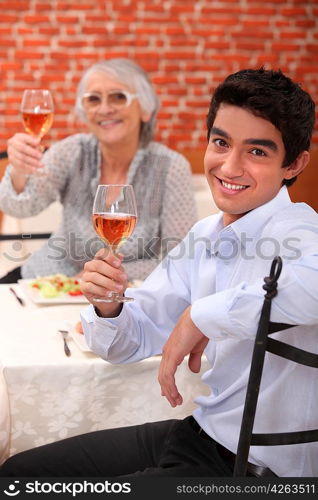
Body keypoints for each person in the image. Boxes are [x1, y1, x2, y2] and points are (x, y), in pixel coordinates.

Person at [1, 68, 317, 478]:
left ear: (293, 164)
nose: (230, 166)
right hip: (200, 436)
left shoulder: (298, 229)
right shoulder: (206, 235)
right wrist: (110, 307)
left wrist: (200, 315)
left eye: (257, 152)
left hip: (255, 469)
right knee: (18, 474)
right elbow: (133, 337)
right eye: (221, 143)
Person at [0, 58, 197, 283]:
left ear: (146, 109)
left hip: (122, 293)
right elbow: (18, 207)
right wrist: (19, 169)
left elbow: (181, 260)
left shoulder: (171, 167)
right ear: (84, 111)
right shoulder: (71, 152)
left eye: (118, 97)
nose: (105, 109)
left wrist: (106, 275)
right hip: (48, 280)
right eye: (94, 99)